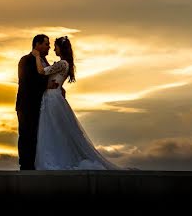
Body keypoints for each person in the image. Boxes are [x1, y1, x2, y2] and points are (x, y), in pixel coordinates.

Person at [32, 36, 121, 170]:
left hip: (52, 98)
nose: (53, 48)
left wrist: (37, 56)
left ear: (61, 48)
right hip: (53, 96)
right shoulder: (65, 64)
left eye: (55, 46)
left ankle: (55, 160)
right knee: (54, 129)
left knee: (52, 129)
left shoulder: (62, 63)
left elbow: (41, 71)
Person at [15, 33, 57, 170]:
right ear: (37, 45)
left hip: (43, 105)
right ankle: (26, 165)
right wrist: (46, 85)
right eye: (46, 44)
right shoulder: (25, 60)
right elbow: (26, 81)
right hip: (27, 105)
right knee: (27, 134)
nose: (49, 47)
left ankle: (38, 164)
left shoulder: (45, 62)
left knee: (39, 135)